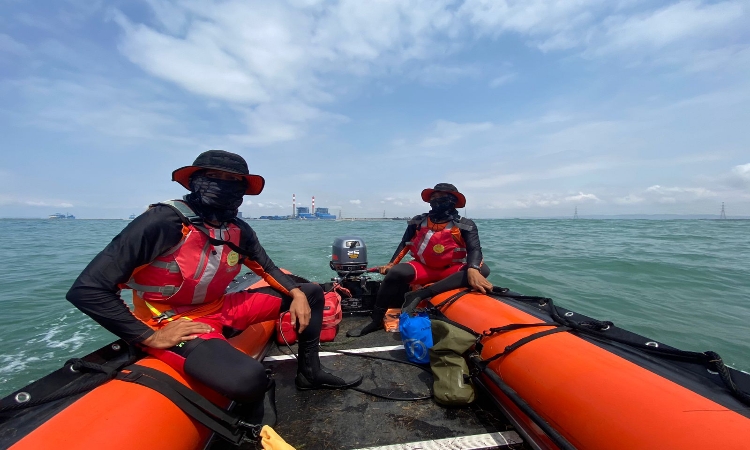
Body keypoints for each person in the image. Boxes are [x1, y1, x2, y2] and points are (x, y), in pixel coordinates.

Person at [67, 150, 362, 414]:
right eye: (212, 176)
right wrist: (149, 337)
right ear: (193, 181)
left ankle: (309, 373)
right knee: (249, 379)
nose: (222, 184)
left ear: (243, 191)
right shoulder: (162, 221)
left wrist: (296, 292)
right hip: (170, 320)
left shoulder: (238, 229)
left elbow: (267, 267)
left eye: (231, 179)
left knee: (310, 293)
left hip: (221, 308)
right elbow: (88, 289)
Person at [347, 183, 492, 337]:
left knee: (483, 270)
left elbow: (474, 250)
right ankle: (375, 320)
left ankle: (420, 295)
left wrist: (473, 268)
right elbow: (404, 244)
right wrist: (391, 264)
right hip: (423, 267)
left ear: (452, 201)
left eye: (441, 198)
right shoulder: (418, 222)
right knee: (395, 273)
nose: (436, 200)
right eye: (433, 198)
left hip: (451, 270)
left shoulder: (465, 225)